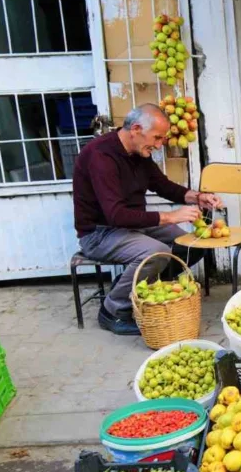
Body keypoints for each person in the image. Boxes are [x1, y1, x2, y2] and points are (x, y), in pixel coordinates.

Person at [73, 104, 222, 336]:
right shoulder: (101, 156)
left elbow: (162, 185)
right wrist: (170, 216)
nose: (159, 144)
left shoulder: (138, 152)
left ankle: (140, 291)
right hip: (100, 233)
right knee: (156, 253)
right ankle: (113, 309)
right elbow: (116, 215)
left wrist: (197, 197)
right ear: (136, 128)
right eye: (157, 137)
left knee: (191, 245)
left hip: (133, 225)